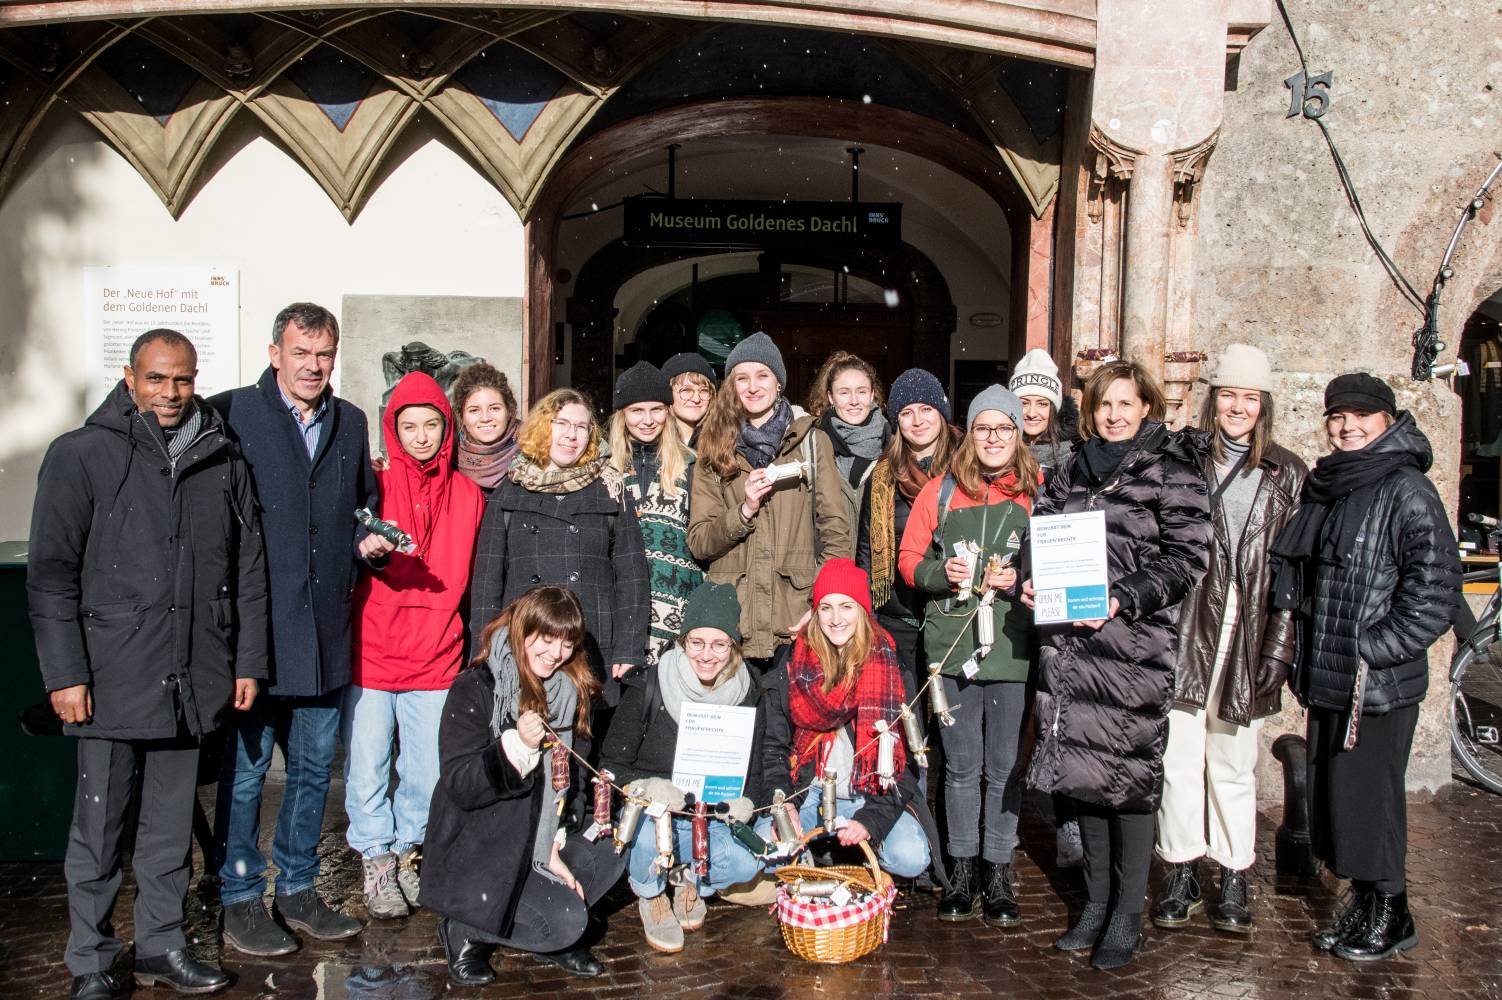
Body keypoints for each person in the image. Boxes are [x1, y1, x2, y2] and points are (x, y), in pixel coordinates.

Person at [29, 330, 267, 1000]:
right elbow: (50, 578)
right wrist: (64, 675)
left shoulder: (220, 456)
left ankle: (162, 944)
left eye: (183, 380)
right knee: (100, 831)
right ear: (130, 377)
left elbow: (247, 570)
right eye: (158, 379)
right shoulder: (80, 455)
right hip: (109, 678)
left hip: (193, 675)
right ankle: (92, 961)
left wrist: (245, 661)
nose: (171, 394)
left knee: (168, 835)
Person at [1022, 359, 1211, 970]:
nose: (1114, 414)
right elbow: (1041, 531)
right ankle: (1096, 906)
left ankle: (1128, 914)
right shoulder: (1071, 463)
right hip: (1071, 650)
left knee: (1126, 785)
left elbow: (1187, 558)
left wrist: (1123, 596)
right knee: (1084, 782)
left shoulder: (1171, 466)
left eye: (1126, 404)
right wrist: (1030, 580)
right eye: (1105, 404)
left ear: (1146, 407)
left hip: (1130, 648)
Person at [210, 302, 383, 955]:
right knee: (249, 774)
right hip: (257, 637)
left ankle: (300, 890)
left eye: (324, 355)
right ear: (275, 352)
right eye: (301, 353)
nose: (314, 366)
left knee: (312, 773)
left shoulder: (350, 421)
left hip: (324, 636)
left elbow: (362, 505)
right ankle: (238, 897)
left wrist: (368, 538)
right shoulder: (231, 413)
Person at [1269, 373, 1459, 961]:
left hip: (1375, 682)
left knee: (1372, 799)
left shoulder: (1407, 489)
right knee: (1342, 800)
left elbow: (1436, 590)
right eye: (1337, 416)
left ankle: (1391, 912)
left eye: (1361, 416)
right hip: (1333, 674)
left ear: (1387, 419)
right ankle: (1366, 902)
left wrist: (1373, 648)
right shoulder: (1336, 484)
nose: (1348, 426)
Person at [1153, 345, 1306, 935]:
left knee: (1234, 760)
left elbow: (1293, 573)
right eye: (1228, 395)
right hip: (1188, 625)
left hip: (1248, 628)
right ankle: (1181, 868)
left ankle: (1234, 871)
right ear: (1212, 399)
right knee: (1180, 756)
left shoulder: (1288, 472)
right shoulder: (1183, 458)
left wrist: (1279, 646)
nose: (1237, 407)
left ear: (1263, 404)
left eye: (1249, 397)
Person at [422, 586, 624, 983]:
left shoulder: (570, 692)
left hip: (538, 839)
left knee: (612, 853)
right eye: (546, 639)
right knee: (566, 924)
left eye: (567, 643)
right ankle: (466, 929)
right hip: (483, 845)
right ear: (521, 630)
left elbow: (576, 779)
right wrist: (514, 747)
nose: (556, 653)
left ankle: (534, 908)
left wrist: (556, 840)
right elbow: (461, 784)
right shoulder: (476, 687)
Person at [344, 372, 486, 920]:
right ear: (393, 428)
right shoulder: (374, 485)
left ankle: (407, 850)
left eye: (432, 424)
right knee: (368, 764)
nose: (422, 436)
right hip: (373, 648)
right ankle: (375, 856)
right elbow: (352, 547)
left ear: (446, 429)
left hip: (436, 651)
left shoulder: (469, 494)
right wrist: (369, 549)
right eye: (410, 426)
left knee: (426, 770)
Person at [899, 385, 1037, 927]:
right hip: (951, 648)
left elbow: (1053, 560)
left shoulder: (1037, 493)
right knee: (960, 767)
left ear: (1018, 436)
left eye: (1004, 428)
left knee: (1004, 766)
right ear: (970, 434)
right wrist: (941, 573)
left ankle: (997, 869)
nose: (994, 438)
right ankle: (961, 867)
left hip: (1011, 646)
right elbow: (910, 560)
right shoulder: (939, 491)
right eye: (984, 428)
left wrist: (1021, 576)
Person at [601, 581, 765, 953]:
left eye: (719, 644)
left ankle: (690, 878)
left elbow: (752, 771)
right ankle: (651, 893)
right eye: (697, 643)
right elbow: (610, 764)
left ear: (733, 646)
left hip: (707, 816)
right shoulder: (650, 684)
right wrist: (647, 787)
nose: (707, 655)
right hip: (655, 814)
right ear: (682, 641)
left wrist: (748, 801)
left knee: (744, 862)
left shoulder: (748, 693)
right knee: (645, 834)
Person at [468, 388, 650, 700]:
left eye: (581, 427)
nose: (571, 435)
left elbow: (632, 575)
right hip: (524, 641)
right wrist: (485, 650)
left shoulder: (610, 489)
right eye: (561, 423)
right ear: (543, 427)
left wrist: (630, 647)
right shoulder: (511, 490)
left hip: (590, 641)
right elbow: (487, 580)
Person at [758, 559, 931, 880]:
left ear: (863, 610)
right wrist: (785, 806)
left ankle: (846, 850)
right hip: (806, 794)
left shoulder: (892, 669)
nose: (836, 619)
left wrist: (871, 821)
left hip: (869, 795)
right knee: (768, 854)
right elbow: (774, 748)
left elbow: (906, 764)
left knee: (911, 857)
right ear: (815, 612)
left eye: (846, 606)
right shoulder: (792, 664)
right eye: (826, 608)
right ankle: (825, 854)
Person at [689, 332, 852, 663]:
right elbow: (700, 542)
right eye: (742, 378)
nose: (752, 386)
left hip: (794, 616)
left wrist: (821, 602)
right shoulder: (713, 447)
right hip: (732, 619)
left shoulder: (811, 441)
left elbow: (836, 531)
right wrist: (744, 511)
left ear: (778, 383)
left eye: (762, 375)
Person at [1008, 348, 1083, 870]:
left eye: (1041, 402)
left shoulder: (1079, 459)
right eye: (1024, 400)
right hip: (1012, 605)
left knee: (1063, 717)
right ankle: (1004, 824)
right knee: (1012, 722)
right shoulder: (993, 452)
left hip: (1060, 606)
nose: (1032, 411)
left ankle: (1070, 824)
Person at [856, 368, 959, 725]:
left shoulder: (968, 468)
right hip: (898, 613)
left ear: (941, 414)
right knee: (904, 718)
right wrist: (868, 615)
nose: (918, 421)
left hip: (953, 609)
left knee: (952, 722)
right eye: (906, 413)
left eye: (926, 409)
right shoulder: (882, 476)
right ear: (896, 421)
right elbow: (867, 552)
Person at [609, 362, 704, 663]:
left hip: (679, 613)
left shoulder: (693, 466)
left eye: (657, 410)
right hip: (619, 614)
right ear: (622, 415)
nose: (648, 420)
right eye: (637, 410)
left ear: (668, 411)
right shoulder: (604, 470)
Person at [809, 351, 892, 519]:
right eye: (844, 392)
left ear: (871, 394)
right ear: (831, 397)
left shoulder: (894, 446)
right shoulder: (814, 445)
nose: (854, 400)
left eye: (861, 391)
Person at [450, 362, 520, 496]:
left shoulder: (534, 449)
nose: (485, 418)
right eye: (474, 410)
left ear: (509, 410)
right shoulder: (449, 458)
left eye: (494, 408)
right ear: (461, 416)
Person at [663, 352, 717, 448]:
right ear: (667, 394)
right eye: (687, 390)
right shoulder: (651, 443)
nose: (696, 399)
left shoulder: (724, 441)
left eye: (704, 391)